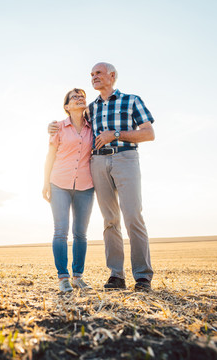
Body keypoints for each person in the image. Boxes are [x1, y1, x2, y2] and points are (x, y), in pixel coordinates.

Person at [48, 62, 155, 292]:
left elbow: (149, 133)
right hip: (97, 162)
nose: (94, 77)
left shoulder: (131, 100)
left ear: (112, 76)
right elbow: (70, 120)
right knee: (110, 220)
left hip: (125, 158)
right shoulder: (91, 108)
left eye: (98, 73)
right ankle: (116, 276)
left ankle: (143, 277)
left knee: (133, 216)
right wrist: (51, 126)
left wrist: (114, 135)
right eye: (91, 74)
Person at [43, 88, 95, 293]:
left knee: (80, 233)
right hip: (59, 183)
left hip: (86, 185)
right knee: (61, 232)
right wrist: (45, 182)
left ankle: (78, 277)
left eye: (82, 96)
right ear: (67, 106)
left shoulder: (94, 126)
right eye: (75, 97)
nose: (80, 98)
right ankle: (63, 278)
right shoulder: (58, 128)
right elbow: (50, 155)